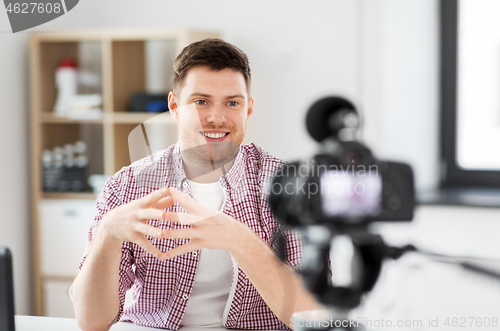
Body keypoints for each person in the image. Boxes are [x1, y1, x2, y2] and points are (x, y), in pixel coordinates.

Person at [72, 38, 319, 331]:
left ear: (248, 109)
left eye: (232, 103)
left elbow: (311, 317)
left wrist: (238, 240)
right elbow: (91, 322)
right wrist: (107, 234)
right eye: (201, 101)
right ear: (174, 106)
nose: (216, 117)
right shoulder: (126, 186)